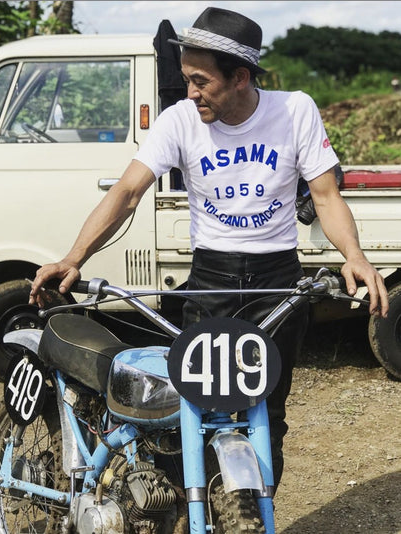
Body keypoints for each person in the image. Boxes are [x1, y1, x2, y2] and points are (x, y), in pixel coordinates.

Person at [29, 7, 389, 491]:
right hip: (211, 284)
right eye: (186, 80)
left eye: (201, 82)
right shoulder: (179, 120)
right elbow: (127, 191)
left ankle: (252, 513)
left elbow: (325, 196)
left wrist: (355, 257)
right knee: (193, 414)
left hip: (277, 286)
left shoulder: (294, 110)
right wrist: (74, 258)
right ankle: (189, 512)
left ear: (240, 77)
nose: (190, 93)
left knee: (267, 417)